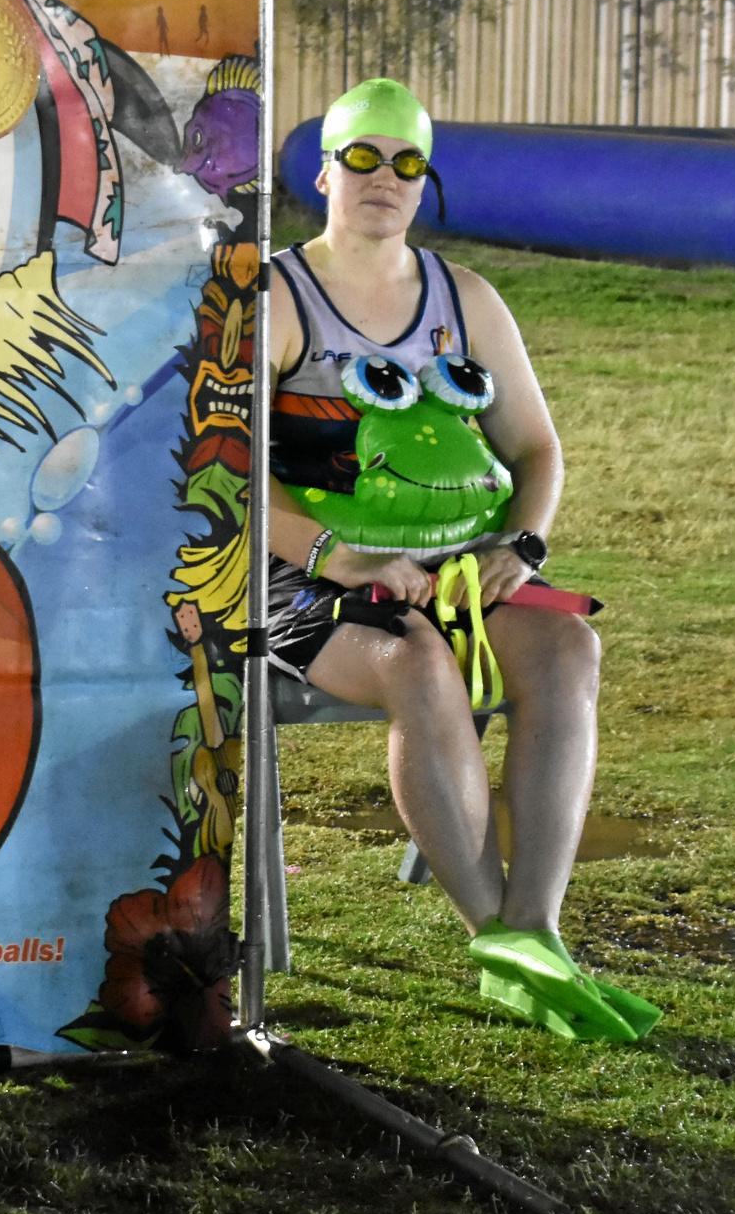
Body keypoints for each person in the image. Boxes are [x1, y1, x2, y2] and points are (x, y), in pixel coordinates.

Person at [263, 78, 652, 1043]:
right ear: (323, 172)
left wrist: (520, 543)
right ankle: (495, 936)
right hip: (301, 571)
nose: (382, 179)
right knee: (417, 662)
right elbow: (214, 471)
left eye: (405, 162)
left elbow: (537, 450)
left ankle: (537, 931)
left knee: (568, 651)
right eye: (361, 158)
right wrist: (335, 555)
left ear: (423, 180)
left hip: (455, 566)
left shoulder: (463, 298)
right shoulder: (273, 296)